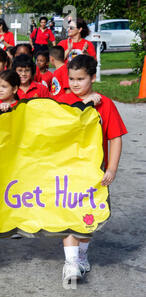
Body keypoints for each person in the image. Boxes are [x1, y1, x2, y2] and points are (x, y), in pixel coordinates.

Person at [56, 55, 127, 284]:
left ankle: (82, 256)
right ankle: (71, 262)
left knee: (88, 218)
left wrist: (112, 168)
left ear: (93, 77)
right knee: (69, 217)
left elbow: (115, 138)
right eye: (71, 79)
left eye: (81, 79)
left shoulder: (106, 104)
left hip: (94, 173)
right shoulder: (61, 101)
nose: (75, 84)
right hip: (67, 171)